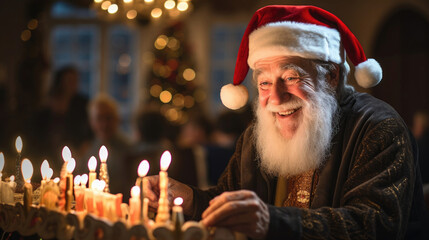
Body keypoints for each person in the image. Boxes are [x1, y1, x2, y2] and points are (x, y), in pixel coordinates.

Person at [144, 5, 425, 239]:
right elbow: (232, 201)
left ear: (331, 76)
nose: (275, 98)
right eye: (265, 83)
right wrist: (191, 200)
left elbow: (375, 226)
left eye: (291, 78)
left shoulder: (379, 128)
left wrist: (273, 220)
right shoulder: (257, 136)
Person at [78, 93, 131, 195]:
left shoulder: (129, 149)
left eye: (108, 118)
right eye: (99, 118)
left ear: (117, 119)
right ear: (91, 122)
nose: (104, 124)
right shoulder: (86, 149)